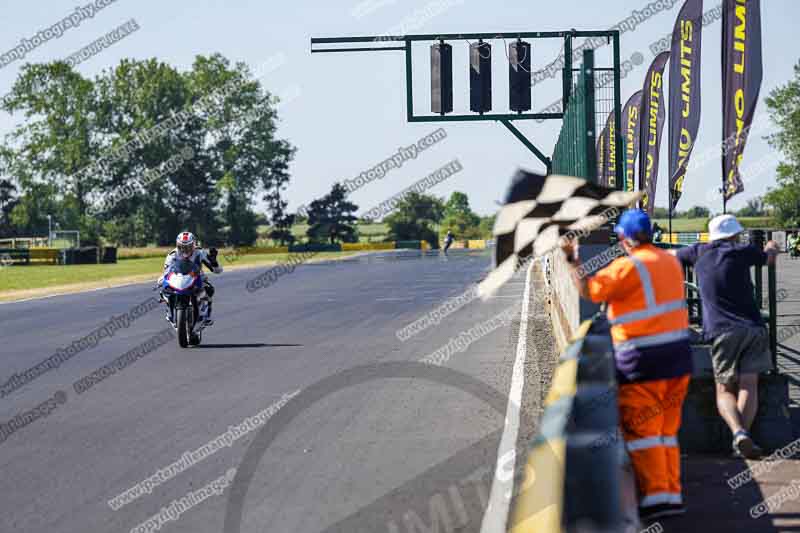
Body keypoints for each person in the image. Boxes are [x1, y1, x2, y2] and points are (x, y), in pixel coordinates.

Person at [560, 209, 692, 521]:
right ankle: (672, 495)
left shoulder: (626, 267)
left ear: (625, 237)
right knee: (667, 431)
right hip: (678, 359)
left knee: (644, 430)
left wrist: (571, 259)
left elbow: (589, 291)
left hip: (642, 362)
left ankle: (658, 499)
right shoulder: (670, 262)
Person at [672, 215, 778, 459]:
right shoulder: (744, 251)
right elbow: (769, 260)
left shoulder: (698, 252)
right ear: (734, 235)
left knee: (724, 389)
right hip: (753, 327)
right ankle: (742, 439)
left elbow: (670, 258)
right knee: (749, 384)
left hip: (721, 331)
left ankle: (738, 432)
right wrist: (771, 248)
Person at [158, 231, 223, 326]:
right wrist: (162, 279)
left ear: (193, 244)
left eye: (188, 246)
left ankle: (208, 315)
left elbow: (218, 271)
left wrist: (214, 262)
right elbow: (166, 270)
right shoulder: (172, 255)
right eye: (182, 247)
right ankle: (169, 311)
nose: (185, 250)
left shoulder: (200, 253)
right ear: (177, 245)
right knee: (165, 289)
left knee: (209, 289)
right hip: (178, 278)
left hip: (197, 277)